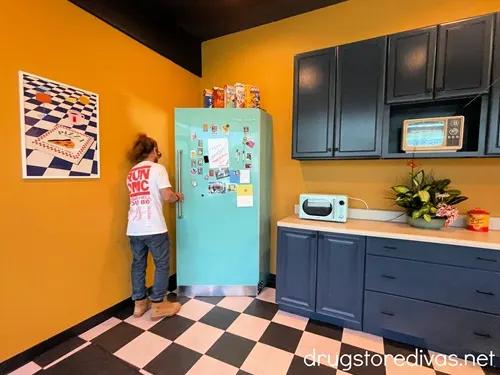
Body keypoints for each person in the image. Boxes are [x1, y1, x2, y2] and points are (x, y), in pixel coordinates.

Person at [126, 134, 184, 320]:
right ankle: (159, 304)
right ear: (153, 150)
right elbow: (167, 196)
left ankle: (139, 304)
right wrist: (177, 196)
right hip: (154, 227)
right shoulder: (158, 169)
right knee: (161, 264)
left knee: (138, 265)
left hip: (134, 227)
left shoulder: (132, 172)